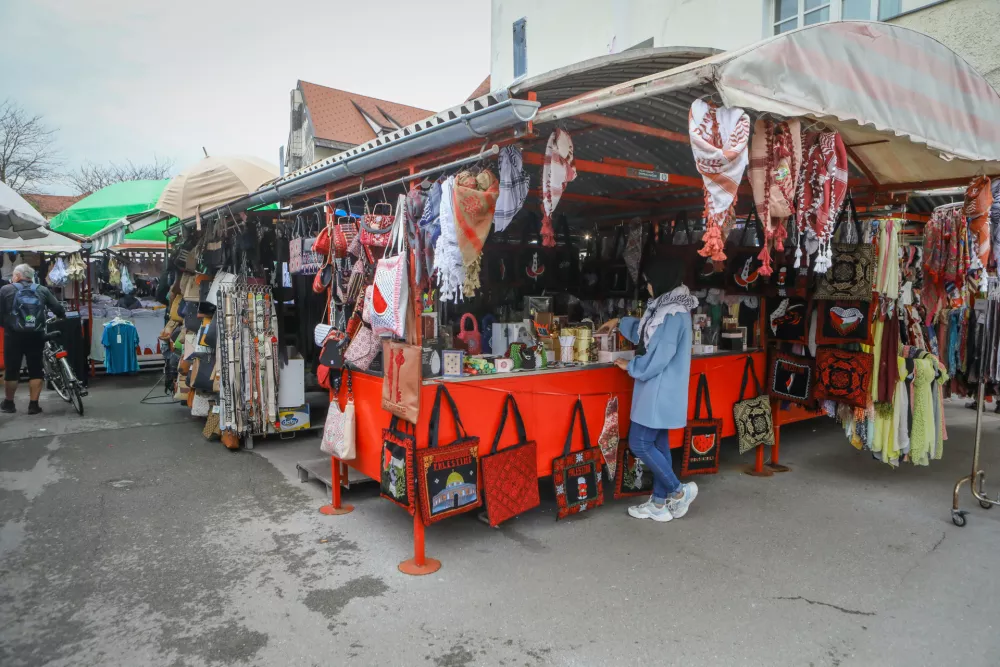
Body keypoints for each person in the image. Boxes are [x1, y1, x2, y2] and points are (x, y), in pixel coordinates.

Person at [606, 260, 699, 522]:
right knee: (659, 443)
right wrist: (618, 321)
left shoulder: (673, 313)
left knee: (639, 442)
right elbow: (645, 332)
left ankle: (678, 491)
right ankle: (659, 504)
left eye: (649, 280)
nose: (647, 285)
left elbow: (659, 356)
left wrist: (631, 365)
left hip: (660, 388)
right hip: (658, 387)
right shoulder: (664, 307)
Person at [0, 264, 65, 414]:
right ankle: (34, 405)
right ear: (31, 276)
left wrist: (7, 325)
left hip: (13, 336)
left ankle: (9, 404)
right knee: (36, 369)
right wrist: (60, 317)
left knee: (12, 370)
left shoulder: (6, 290)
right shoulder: (42, 289)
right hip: (36, 335)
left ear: (16, 276)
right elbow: (58, 309)